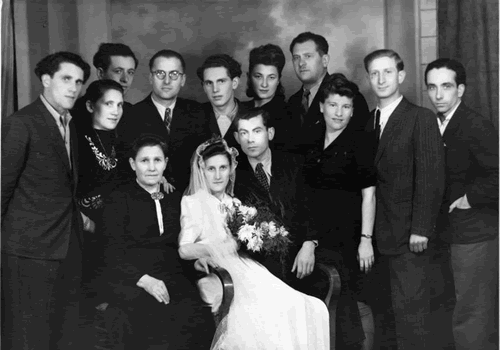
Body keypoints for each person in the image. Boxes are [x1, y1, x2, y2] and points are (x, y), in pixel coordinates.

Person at [178, 137, 329, 349]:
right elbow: (184, 249)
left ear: (231, 169)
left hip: (246, 266)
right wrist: (216, 249)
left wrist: (251, 239)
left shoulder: (236, 203)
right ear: (202, 170)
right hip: (222, 270)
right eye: (211, 169)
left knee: (299, 304)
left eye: (223, 167)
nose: (218, 175)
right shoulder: (193, 202)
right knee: (257, 313)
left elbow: (243, 240)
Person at [1, 51, 91, 349]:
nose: (74, 88)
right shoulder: (22, 123)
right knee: (31, 337)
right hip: (29, 252)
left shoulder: (71, 123)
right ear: (46, 80)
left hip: (66, 247)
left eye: (78, 82)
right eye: (66, 79)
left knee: (63, 335)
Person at [96, 135, 214, 349]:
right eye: (144, 161)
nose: (151, 167)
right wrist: (143, 279)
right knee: (151, 319)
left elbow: (177, 246)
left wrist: (195, 262)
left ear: (166, 163)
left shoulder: (175, 198)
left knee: (195, 316)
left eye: (157, 160)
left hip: (171, 274)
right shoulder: (118, 199)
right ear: (133, 164)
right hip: (131, 276)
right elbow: (110, 252)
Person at [363, 49, 445, 350]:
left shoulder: (420, 118)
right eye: (374, 73)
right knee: (385, 316)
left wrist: (421, 228)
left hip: (410, 237)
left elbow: (431, 178)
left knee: (412, 317)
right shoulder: (367, 121)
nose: (381, 79)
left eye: (387, 72)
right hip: (377, 240)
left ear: (401, 76)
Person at [425, 58, 498, 350]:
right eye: (432, 87)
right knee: (450, 311)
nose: (438, 94)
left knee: (472, 315)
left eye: (446, 86)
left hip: (474, 234)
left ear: (461, 89)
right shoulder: (432, 124)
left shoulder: (475, 124)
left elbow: (498, 176)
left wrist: (469, 199)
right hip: (446, 234)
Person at [300, 75, 376, 350]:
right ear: (321, 106)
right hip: (315, 236)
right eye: (333, 105)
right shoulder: (309, 138)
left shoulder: (360, 142)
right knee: (321, 302)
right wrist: (308, 238)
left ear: (353, 110)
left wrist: (366, 240)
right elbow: (304, 192)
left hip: (349, 238)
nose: (339, 113)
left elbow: (369, 194)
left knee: (352, 303)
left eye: (345, 107)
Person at [233, 108, 306, 283]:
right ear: (237, 138)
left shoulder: (294, 164)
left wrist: (310, 243)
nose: (250, 139)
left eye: (257, 131)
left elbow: (309, 206)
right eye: (244, 133)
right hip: (258, 264)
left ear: (270, 133)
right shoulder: (234, 177)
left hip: (301, 257)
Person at [74, 79, 126, 310]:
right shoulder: (75, 140)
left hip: (115, 230)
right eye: (109, 104)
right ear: (90, 106)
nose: (116, 111)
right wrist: (83, 220)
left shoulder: (121, 141)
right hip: (82, 231)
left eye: (120, 105)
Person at [125, 49, 208, 191]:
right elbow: (126, 163)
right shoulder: (131, 115)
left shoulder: (198, 112)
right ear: (150, 77)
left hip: (192, 197)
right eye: (160, 73)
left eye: (174, 74)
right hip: (147, 198)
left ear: (183, 80)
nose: (167, 81)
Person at [287, 32, 370, 152]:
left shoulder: (350, 97)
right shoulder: (292, 102)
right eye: (296, 57)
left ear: (325, 60)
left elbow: (361, 150)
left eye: (308, 56)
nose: (301, 63)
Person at [72, 42, 138, 134]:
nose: (125, 79)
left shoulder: (133, 113)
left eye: (130, 72)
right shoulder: (75, 112)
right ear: (100, 73)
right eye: (118, 71)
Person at [242, 43, 295, 150]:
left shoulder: (288, 115)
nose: (264, 84)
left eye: (271, 77)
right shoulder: (240, 109)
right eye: (258, 76)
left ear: (278, 80)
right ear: (249, 77)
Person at [196, 54, 250, 149]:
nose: (215, 89)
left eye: (221, 81)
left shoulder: (252, 116)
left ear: (234, 83)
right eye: (209, 83)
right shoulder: (193, 117)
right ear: (203, 87)